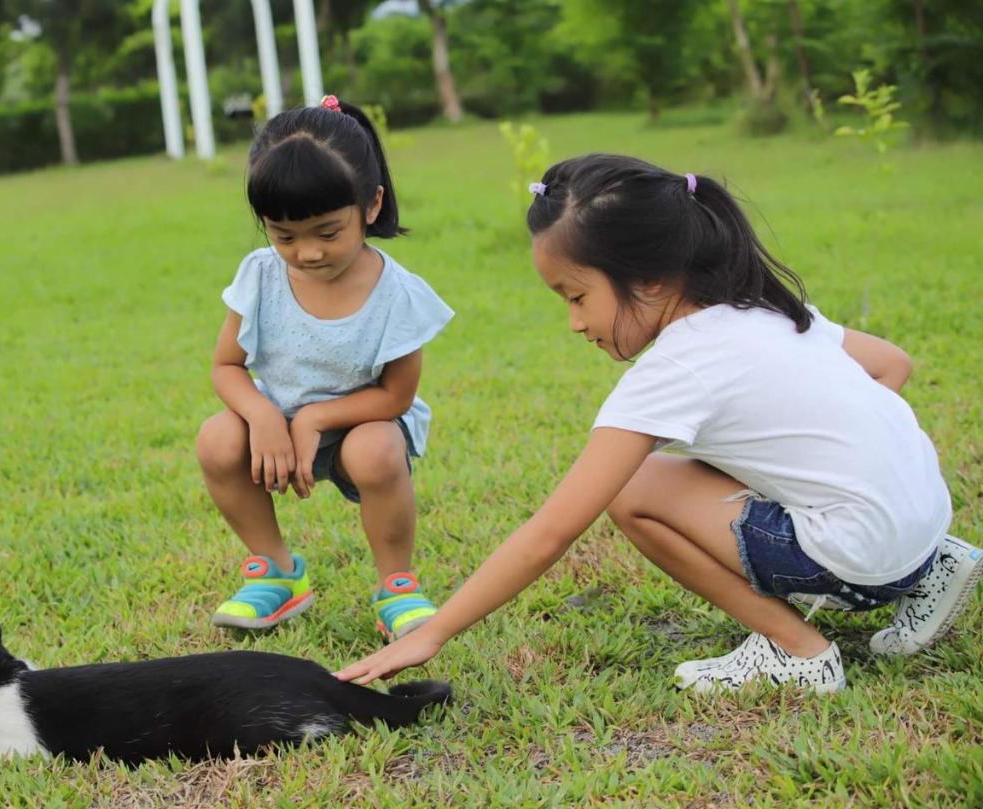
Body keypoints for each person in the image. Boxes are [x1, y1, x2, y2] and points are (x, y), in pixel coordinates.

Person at [335, 153, 981, 693]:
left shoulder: (674, 370)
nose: (575, 323)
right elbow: (893, 365)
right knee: (706, 472)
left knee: (634, 489)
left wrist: (435, 630)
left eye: (577, 296)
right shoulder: (759, 305)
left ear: (646, 277)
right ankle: (932, 568)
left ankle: (798, 650)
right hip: (925, 518)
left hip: (863, 553)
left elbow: (552, 530)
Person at [197, 95, 454, 641]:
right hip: (276, 421)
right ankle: (277, 572)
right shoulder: (260, 276)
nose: (307, 253)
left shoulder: (397, 294)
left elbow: (396, 397)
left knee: (376, 449)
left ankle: (398, 586)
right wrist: (265, 417)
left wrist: (313, 420)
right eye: (284, 235)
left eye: (327, 232)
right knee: (217, 439)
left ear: (372, 204)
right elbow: (226, 366)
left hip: (366, 421)